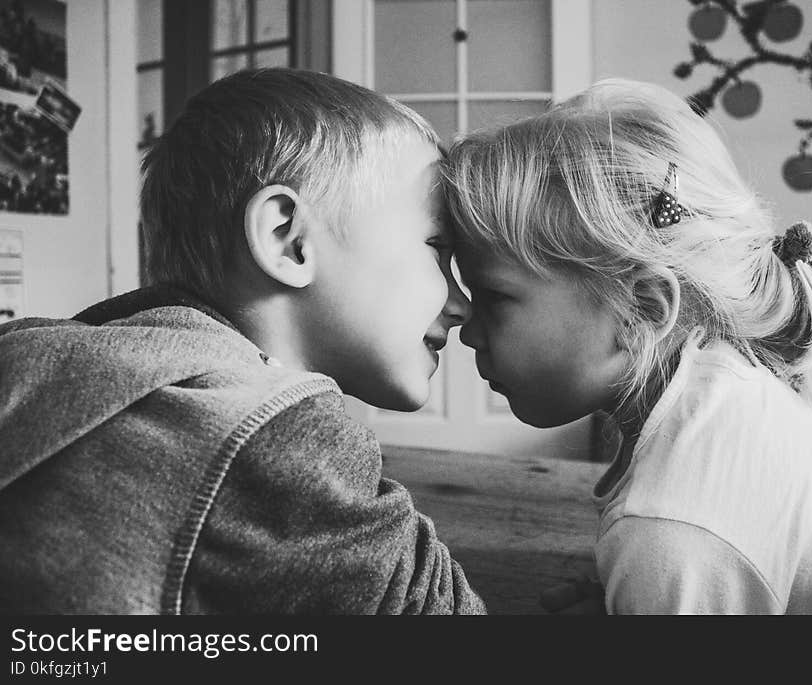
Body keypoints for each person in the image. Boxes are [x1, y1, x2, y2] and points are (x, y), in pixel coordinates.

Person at [0, 68, 485, 614]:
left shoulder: (50, 359)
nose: (461, 304)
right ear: (288, 240)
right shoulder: (281, 440)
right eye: (437, 246)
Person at [442, 78, 812, 614]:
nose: (468, 328)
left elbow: (686, 547)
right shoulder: (724, 386)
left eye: (493, 296)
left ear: (642, 309)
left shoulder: (671, 524)